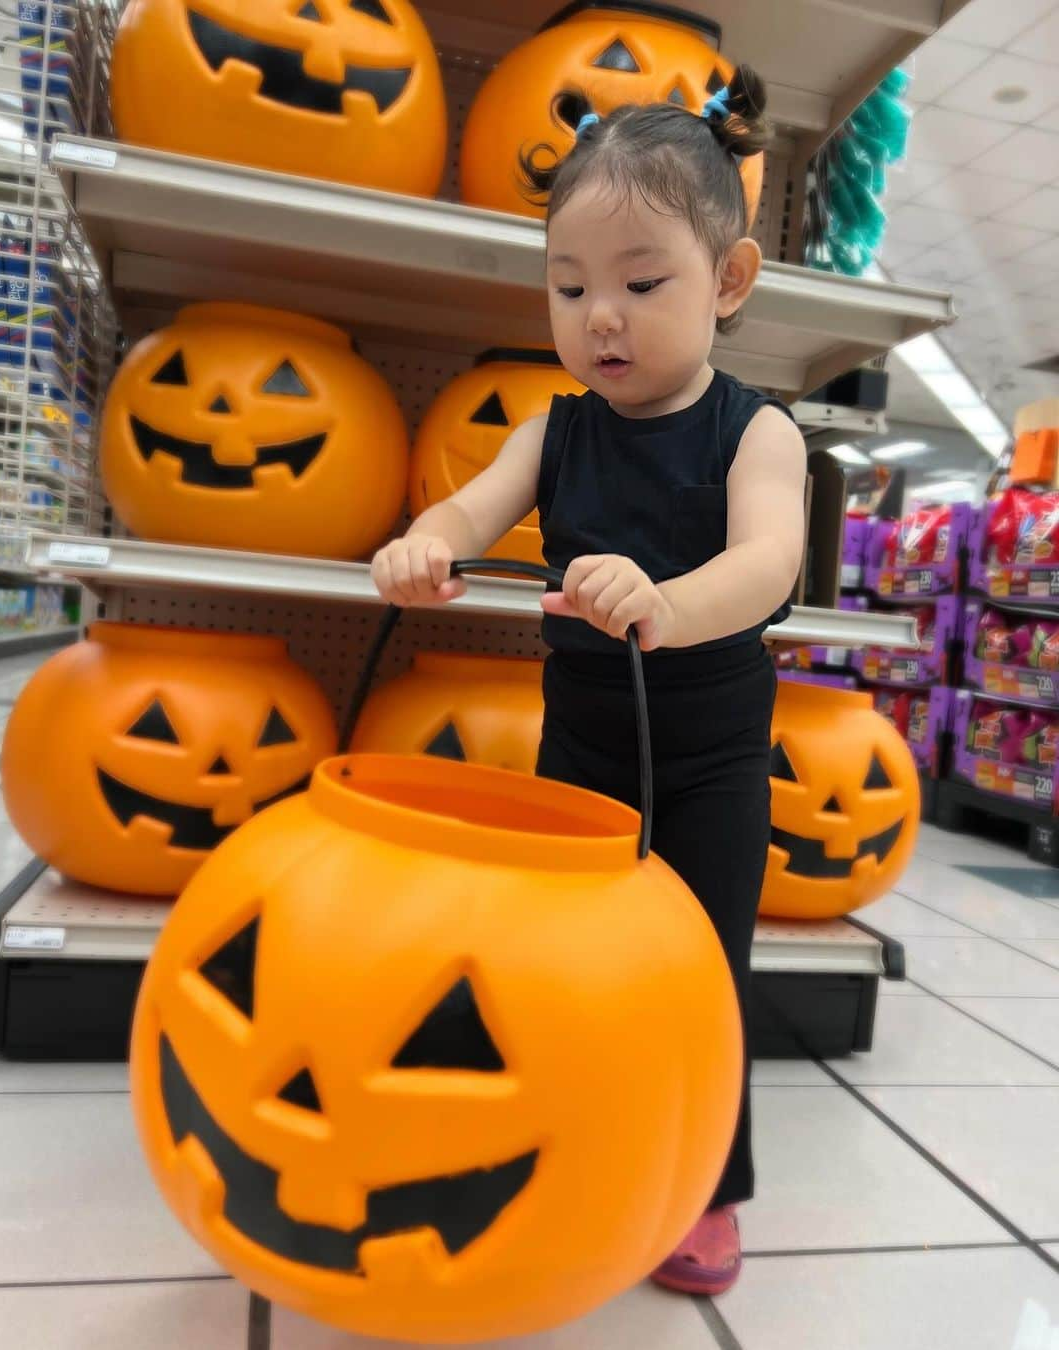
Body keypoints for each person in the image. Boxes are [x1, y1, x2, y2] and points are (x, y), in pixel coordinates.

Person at [371, 67, 806, 1298]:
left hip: (715, 765)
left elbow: (768, 563)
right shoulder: (552, 431)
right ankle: (567, 1142)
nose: (599, 317)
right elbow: (468, 505)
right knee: (567, 963)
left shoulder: (756, 435)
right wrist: (425, 542)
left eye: (640, 283)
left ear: (727, 281)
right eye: (569, 287)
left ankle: (708, 1186)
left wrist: (669, 608)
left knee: (703, 968)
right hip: (586, 754)